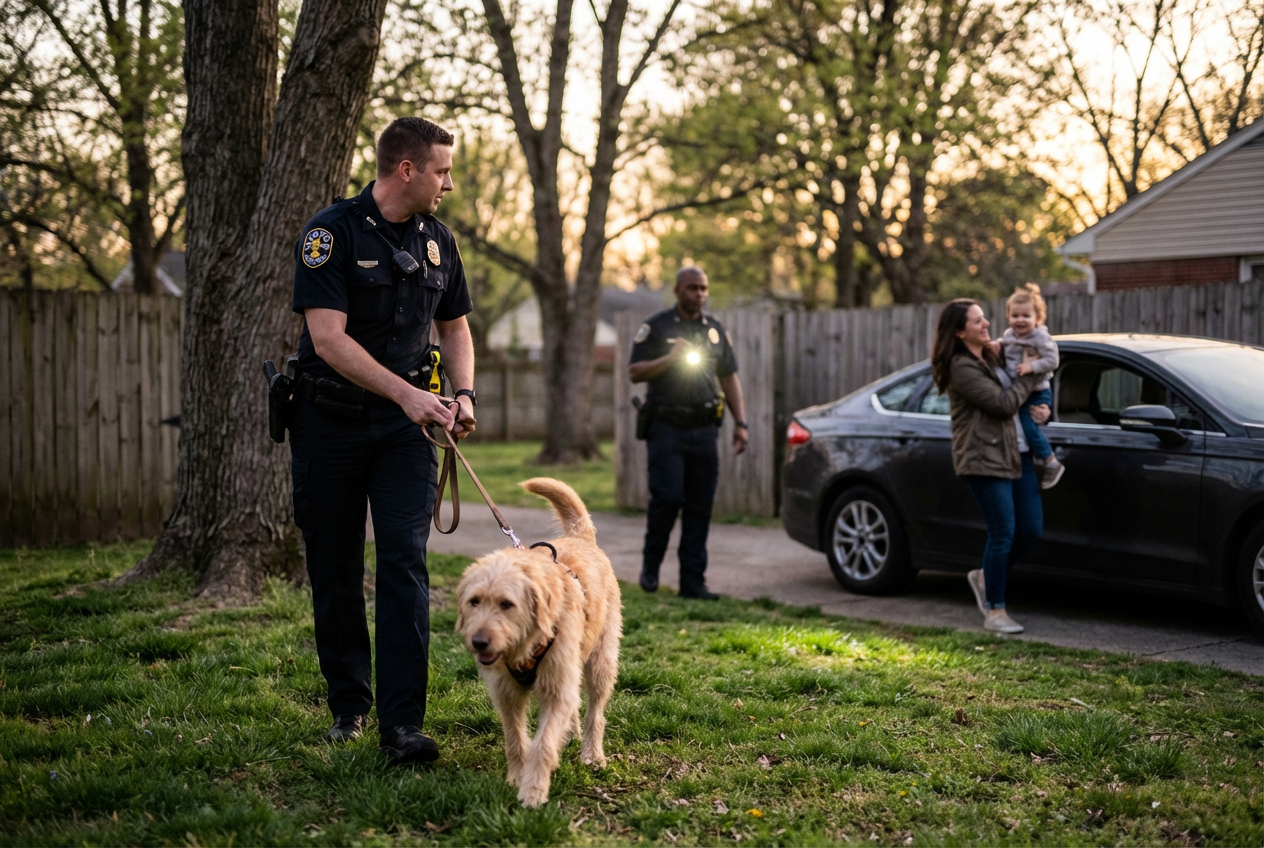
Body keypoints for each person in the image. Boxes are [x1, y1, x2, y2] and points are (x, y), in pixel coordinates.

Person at [289, 117, 477, 764]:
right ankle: (349, 704)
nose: (448, 183)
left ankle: (402, 725)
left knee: (403, 563)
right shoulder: (329, 234)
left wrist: (464, 393)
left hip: (405, 431)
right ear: (407, 169)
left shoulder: (437, 241)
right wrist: (407, 393)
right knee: (335, 569)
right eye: (442, 171)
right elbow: (328, 339)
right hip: (329, 423)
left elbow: (453, 326)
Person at [629, 267, 748, 600]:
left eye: (704, 288)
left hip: (705, 428)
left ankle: (693, 582)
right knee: (667, 499)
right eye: (693, 288)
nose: (699, 294)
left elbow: (729, 378)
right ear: (678, 290)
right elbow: (634, 372)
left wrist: (742, 423)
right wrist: (670, 358)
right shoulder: (657, 326)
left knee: (700, 505)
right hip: (666, 427)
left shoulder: (714, 331)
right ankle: (651, 567)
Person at [931, 299, 1049, 634]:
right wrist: (1031, 371)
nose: (986, 325)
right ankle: (995, 611)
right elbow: (1002, 403)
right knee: (1003, 533)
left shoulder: (994, 353)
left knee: (1030, 531)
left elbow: (1028, 387)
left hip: (1017, 453)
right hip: (983, 458)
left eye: (985, 319)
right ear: (959, 331)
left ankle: (985, 576)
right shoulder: (961, 367)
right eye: (978, 321)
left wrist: (1043, 408)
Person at [995, 283, 1064, 488]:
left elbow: (1053, 361)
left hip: (1038, 393)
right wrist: (995, 345)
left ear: (1038, 318)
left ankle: (1051, 462)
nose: (1020, 320)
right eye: (1015, 316)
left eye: (1026, 316)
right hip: (1018, 393)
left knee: (1028, 427)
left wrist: (1031, 366)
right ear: (1008, 317)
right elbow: (1004, 347)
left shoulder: (1040, 337)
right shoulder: (1009, 336)